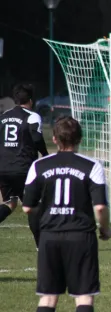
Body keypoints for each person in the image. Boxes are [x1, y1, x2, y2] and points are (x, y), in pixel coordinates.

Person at [22, 116, 111, 312]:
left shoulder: (39, 166)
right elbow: (100, 207)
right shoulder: (91, 165)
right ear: (80, 138)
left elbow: (28, 207)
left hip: (49, 238)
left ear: (54, 139)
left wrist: (49, 215)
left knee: (48, 297)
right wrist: (104, 228)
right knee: (83, 297)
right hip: (80, 236)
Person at [0, 84, 49, 248]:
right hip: (23, 169)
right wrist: (46, 156)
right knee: (32, 206)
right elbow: (36, 139)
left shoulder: (3, 116)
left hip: (3, 168)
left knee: (10, 203)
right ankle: (41, 246)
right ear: (30, 100)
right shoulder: (33, 116)